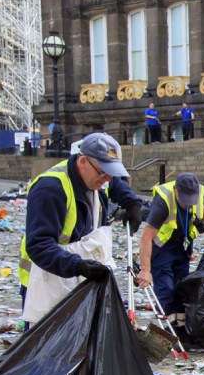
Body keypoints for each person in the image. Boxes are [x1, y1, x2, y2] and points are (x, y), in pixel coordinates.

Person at [19, 132, 144, 326]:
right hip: (44, 278)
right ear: (84, 161)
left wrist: (133, 204)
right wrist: (77, 266)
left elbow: (116, 185)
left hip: (76, 274)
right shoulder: (51, 189)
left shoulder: (96, 177)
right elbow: (38, 246)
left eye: (111, 172)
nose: (108, 179)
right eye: (103, 172)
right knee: (45, 344)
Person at [136, 173, 204, 336]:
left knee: (182, 288)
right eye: (184, 200)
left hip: (182, 246)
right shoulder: (163, 202)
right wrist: (145, 270)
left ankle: (181, 329)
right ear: (176, 189)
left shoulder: (195, 194)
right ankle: (171, 332)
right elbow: (146, 237)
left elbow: (200, 208)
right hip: (162, 249)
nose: (187, 203)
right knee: (166, 291)